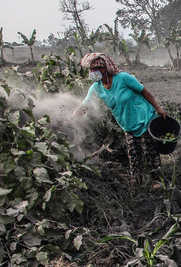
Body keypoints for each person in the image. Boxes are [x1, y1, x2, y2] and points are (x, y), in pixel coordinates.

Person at [72, 53, 167, 186]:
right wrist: (71, 119)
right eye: (90, 71)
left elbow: (144, 91)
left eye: (94, 70)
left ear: (104, 69)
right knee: (134, 156)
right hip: (127, 125)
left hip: (144, 118)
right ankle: (137, 185)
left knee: (148, 151)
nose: (92, 73)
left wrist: (158, 108)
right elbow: (85, 106)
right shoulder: (96, 88)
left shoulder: (123, 78)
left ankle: (158, 182)